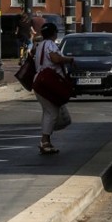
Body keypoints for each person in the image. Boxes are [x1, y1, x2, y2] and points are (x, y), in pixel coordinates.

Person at [32, 22, 75, 156]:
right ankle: (44, 141)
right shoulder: (50, 44)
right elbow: (55, 59)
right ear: (53, 33)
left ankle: (46, 141)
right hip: (48, 82)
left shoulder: (39, 46)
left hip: (39, 81)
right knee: (51, 112)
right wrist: (70, 60)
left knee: (48, 111)